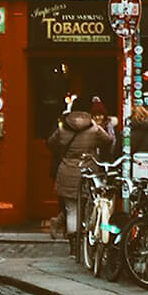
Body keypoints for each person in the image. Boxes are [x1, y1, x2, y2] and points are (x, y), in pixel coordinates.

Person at [47, 100, 112, 244]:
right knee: (88, 203)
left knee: (71, 208)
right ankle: (86, 238)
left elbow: (51, 143)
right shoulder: (94, 129)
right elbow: (108, 141)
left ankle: (73, 243)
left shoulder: (63, 129)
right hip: (88, 170)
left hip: (67, 169)